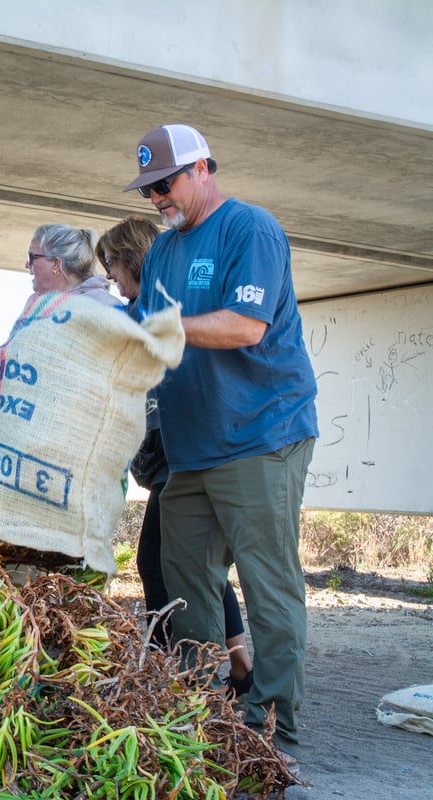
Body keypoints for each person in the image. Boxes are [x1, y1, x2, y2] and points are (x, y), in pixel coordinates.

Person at [123, 124, 318, 767]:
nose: (156, 198)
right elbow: (150, 341)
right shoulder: (161, 253)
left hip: (261, 437)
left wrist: (164, 326)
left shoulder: (249, 229)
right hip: (191, 450)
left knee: (269, 588)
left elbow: (243, 325)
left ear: (203, 168)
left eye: (165, 183)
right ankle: (206, 720)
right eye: (148, 188)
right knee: (182, 587)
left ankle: (273, 731)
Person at [98, 216, 253, 695]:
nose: (111, 278)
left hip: (183, 457)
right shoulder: (155, 305)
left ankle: (165, 671)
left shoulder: (151, 310)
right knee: (195, 566)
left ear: (130, 258)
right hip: (180, 457)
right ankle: (241, 668)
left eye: (113, 266)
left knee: (157, 563)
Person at [24, 223, 122, 309]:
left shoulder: (105, 306)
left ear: (56, 263)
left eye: (31, 257)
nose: (27, 265)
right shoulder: (35, 304)